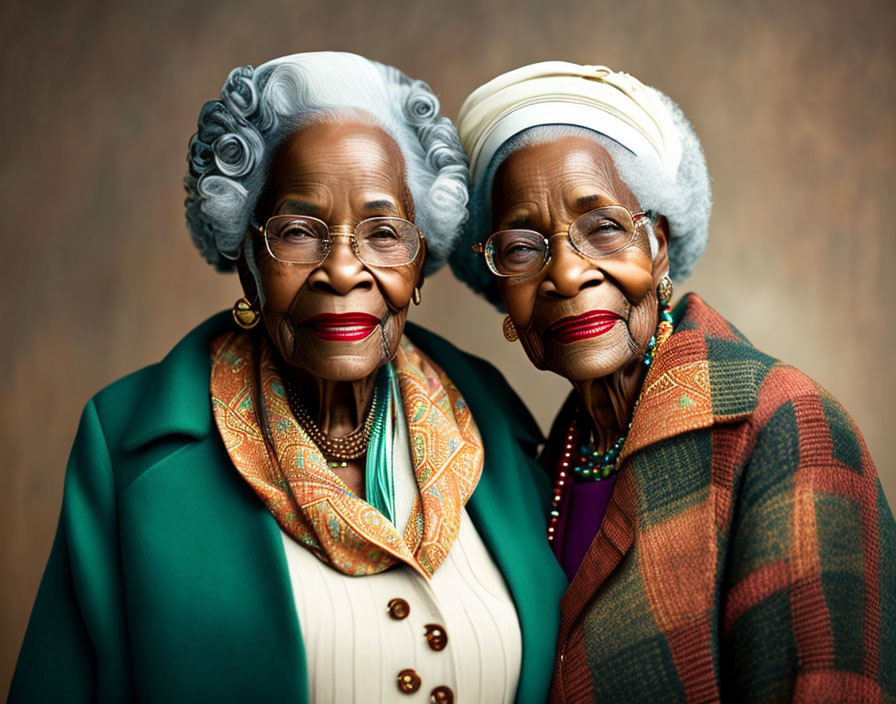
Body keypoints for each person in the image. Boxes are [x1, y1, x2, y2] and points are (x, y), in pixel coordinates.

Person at [9, 53, 566, 704]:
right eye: (298, 231)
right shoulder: (127, 448)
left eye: (383, 233)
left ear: (418, 262)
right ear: (246, 259)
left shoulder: (494, 423)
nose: (342, 270)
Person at [450, 61, 896, 702]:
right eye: (522, 247)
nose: (568, 275)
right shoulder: (544, 462)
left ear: (657, 246)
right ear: (502, 288)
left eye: (602, 228)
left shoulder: (783, 425)